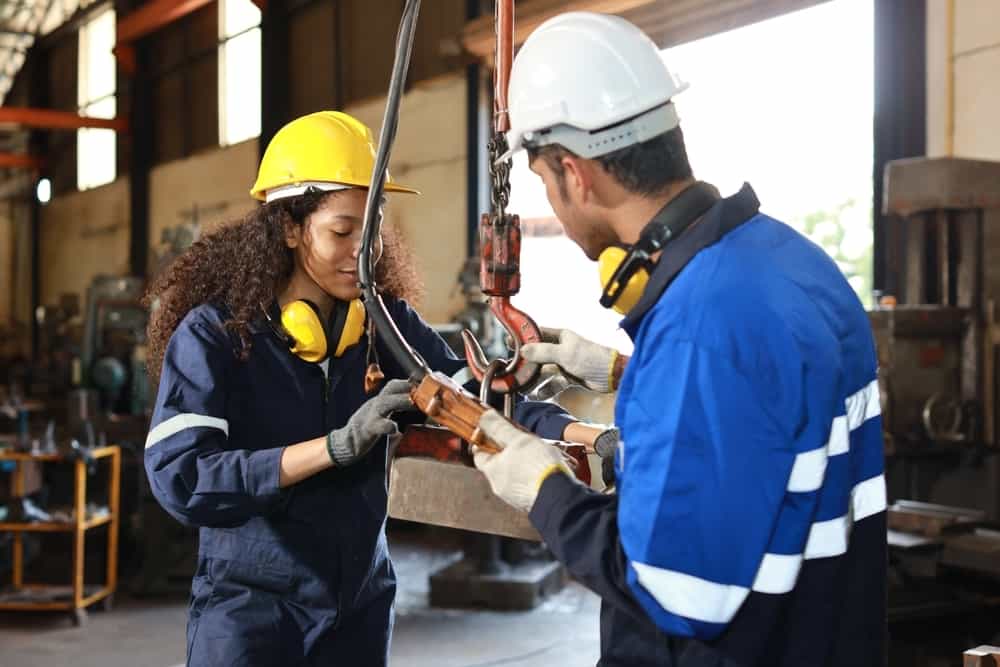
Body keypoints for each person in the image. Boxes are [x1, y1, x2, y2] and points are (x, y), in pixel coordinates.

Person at [471, 12, 887, 667]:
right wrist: (623, 370)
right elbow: (767, 410)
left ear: (574, 172)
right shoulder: (793, 262)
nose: (553, 203)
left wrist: (544, 485)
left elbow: (674, 587)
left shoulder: (701, 326)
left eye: (547, 184)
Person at [143, 111, 585, 666]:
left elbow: (474, 394)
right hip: (251, 612)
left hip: (360, 606)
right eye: (342, 231)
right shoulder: (215, 335)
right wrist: (331, 449)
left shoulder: (384, 325)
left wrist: (581, 433)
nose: (364, 248)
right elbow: (181, 477)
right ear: (287, 227)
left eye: (374, 227)